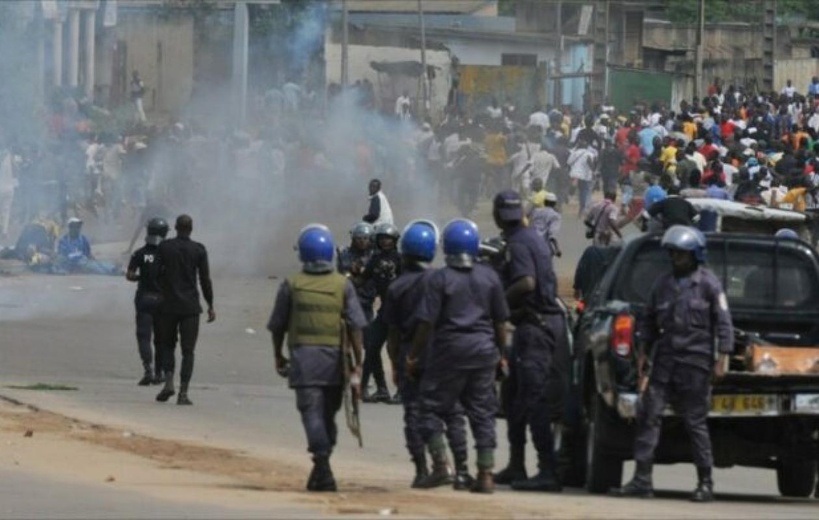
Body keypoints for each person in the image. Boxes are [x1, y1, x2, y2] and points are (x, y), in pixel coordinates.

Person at [611, 226, 733, 503]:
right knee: (648, 415)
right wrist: (643, 352)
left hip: (696, 363)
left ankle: (705, 482)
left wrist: (722, 357)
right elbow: (648, 320)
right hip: (665, 362)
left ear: (695, 255)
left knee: (695, 423)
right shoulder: (662, 284)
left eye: (681, 254)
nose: (676, 258)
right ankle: (642, 480)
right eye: (673, 253)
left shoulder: (709, 285)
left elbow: (724, 322)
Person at [407, 219, 510, 494]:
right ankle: (485, 473)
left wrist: (413, 355)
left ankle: (441, 465)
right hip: (484, 352)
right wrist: (502, 354)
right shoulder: (489, 277)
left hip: (448, 352)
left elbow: (426, 323)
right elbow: (501, 322)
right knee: (482, 413)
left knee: (429, 408)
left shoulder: (439, 278)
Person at [268, 224, 367, 492]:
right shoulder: (343, 284)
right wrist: (358, 363)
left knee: (312, 413)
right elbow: (357, 326)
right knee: (328, 415)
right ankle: (321, 466)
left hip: (303, 360)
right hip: (336, 362)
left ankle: (321, 465)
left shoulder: (291, 284)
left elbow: (278, 325)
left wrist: (278, 355)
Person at [383, 220, 471, 490]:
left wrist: (397, 361)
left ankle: (425, 469)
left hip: (413, 353)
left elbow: (393, 332)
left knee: (415, 413)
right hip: (445, 352)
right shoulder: (443, 278)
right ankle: (462, 470)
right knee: (452, 411)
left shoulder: (397, 287)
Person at [491, 191, 568, 493]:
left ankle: (547, 469)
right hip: (534, 325)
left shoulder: (520, 242)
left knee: (534, 400)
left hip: (536, 327)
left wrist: (498, 302)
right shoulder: (529, 236)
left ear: (499, 216)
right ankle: (516, 464)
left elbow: (526, 282)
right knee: (514, 397)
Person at [154, 215, 215, 405]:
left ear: (175, 227)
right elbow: (205, 280)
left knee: (167, 345)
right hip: (190, 307)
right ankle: (183, 393)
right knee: (188, 351)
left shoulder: (164, 247)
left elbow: (155, 273)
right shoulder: (199, 250)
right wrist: (210, 304)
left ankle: (169, 382)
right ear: (191, 229)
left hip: (168, 305)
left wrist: (161, 290)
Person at [360, 222, 402, 403]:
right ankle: (379, 388)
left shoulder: (401, 260)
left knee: (397, 352)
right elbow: (362, 279)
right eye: (382, 238)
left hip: (400, 313)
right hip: (384, 311)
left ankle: (402, 391)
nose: (385, 241)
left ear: (395, 241)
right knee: (371, 346)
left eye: (389, 238)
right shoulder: (374, 260)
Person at [126, 218, 169, 386]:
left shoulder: (139, 253)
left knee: (144, 337)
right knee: (162, 338)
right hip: (162, 300)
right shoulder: (168, 254)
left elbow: (129, 275)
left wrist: (141, 277)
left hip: (144, 298)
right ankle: (161, 373)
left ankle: (148, 370)